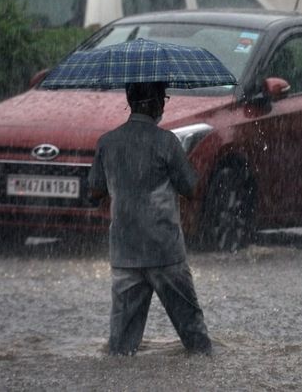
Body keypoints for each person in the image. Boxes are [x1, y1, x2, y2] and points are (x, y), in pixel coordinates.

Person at [89, 81, 212, 356]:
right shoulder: (167, 142)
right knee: (196, 341)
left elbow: (95, 191)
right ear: (156, 102)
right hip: (164, 251)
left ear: (130, 101)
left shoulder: (107, 142)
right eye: (163, 98)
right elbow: (191, 189)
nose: (163, 105)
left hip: (125, 253)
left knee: (121, 349)